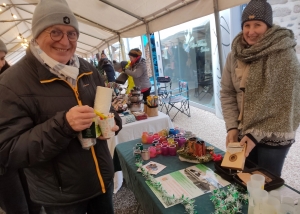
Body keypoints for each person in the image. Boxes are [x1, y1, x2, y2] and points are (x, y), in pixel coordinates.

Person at [0, 0, 122, 214]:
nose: (65, 41)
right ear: (36, 35)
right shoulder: (11, 83)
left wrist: (113, 122)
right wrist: (63, 125)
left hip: (101, 181)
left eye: (71, 33)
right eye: (55, 32)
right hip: (62, 197)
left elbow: (107, 109)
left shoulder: (88, 69)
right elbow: (8, 151)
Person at [220, 0, 300, 177]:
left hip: (274, 136)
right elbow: (228, 93)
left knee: (265, 185)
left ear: (268, 26)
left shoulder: (284, 53)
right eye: (247, 25)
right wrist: (232, 128)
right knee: (241, 178)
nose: (251, 31)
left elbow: (287, 101)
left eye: (257, 24)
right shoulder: (234, 55)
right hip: (244, 129)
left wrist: (257, 134)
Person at [0, 39, 42, 214]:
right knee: (17, 208)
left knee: (35, 202)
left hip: (20, 152)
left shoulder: (10, 81)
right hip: (2, 164)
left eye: (1, 57)